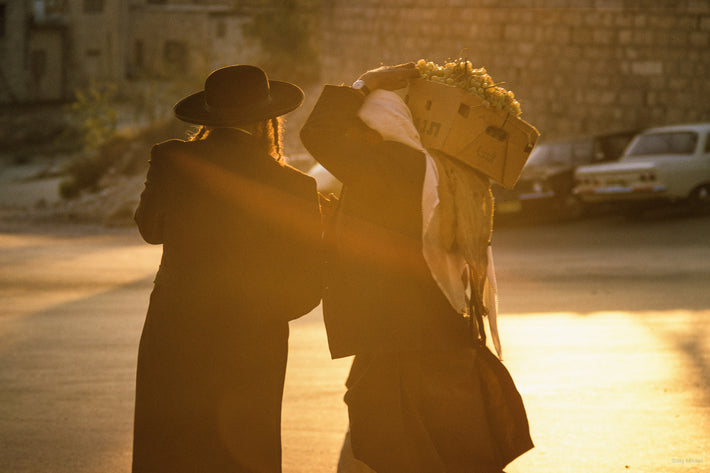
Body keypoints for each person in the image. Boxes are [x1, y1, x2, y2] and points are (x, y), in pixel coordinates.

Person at [300, 63, 532, 473]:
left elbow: (319, 133)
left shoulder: (394, 165)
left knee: (394, 441)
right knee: (444, 436)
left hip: (395, 332)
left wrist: (364, 84)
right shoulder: (455, 172)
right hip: (445, 324)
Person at [132, 65, 323, 473]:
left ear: (208, 115)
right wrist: (261, 311)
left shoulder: (171, 157)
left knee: (170, 444)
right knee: (243, 450)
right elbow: (308, 286)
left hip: (174, 328)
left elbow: (150, 230)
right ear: (268, 119)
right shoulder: (295, 185)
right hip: (253, 340)